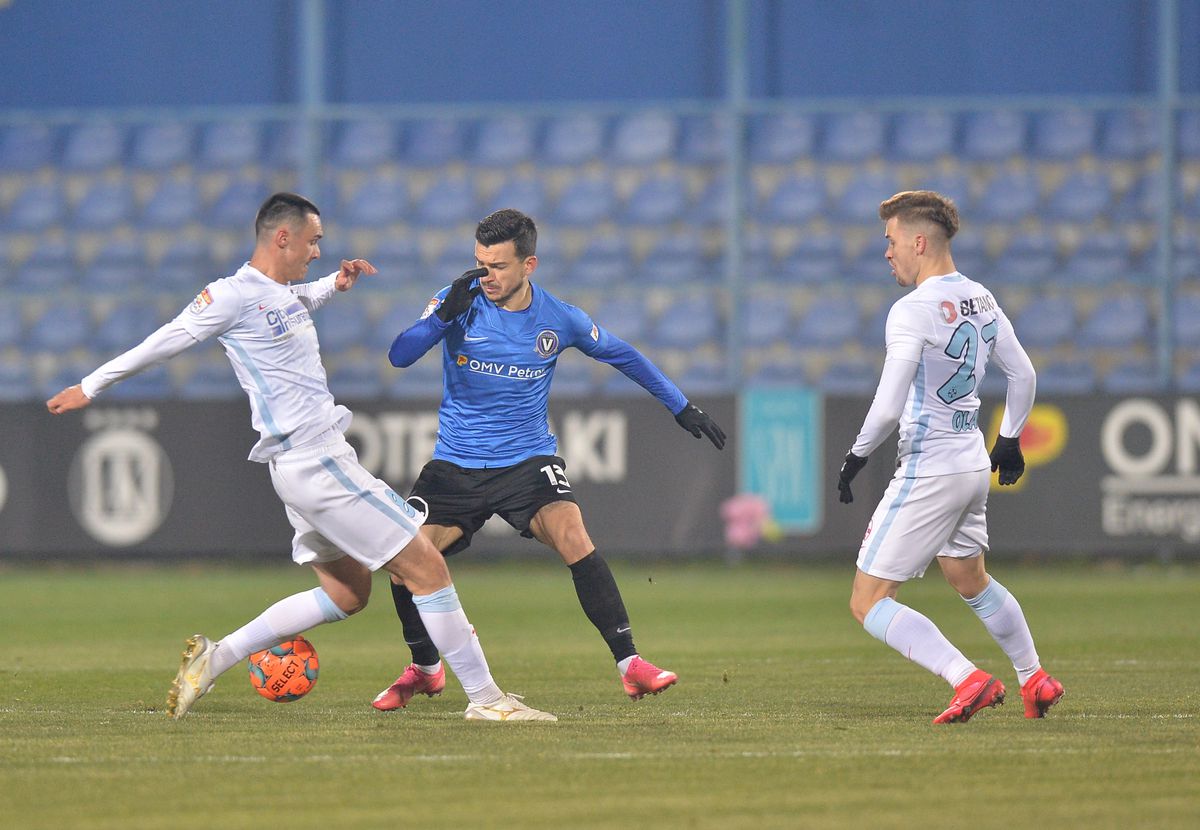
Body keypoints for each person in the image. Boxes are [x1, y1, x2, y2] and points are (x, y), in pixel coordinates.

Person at [46, 192, 555, 722]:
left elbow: (292, 306)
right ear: (281, 237)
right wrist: (92, 385)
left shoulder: (281, 292)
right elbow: (166, 340)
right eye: (313, 242)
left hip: (298, 470)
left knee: (347, 593)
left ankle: (215, 658)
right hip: (317, 461)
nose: (317, 252)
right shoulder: (229, 296)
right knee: (426, 565)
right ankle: (488, 700)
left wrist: (332, 285)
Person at [372, 207, 726, 711]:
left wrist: (680, 406)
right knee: (404, 559)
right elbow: (400, 356)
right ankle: (426, 670)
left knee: (572, 533)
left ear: (528, 265)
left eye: (496, 266)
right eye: (479, 263)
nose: (484, 276)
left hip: (526, 459)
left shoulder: (560, 318)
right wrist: (443, 315)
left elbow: (624, 355)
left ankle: (630, 664)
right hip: (456, 462)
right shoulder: (458, 302)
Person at [836, 190, 1063, 724]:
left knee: (867, 601)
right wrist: (1008, 439)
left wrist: (856, 455)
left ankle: (968, 679)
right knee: (968, 577)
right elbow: (1023, 374)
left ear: (919, 241)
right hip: (971, 466)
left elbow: (889, 403)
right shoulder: (980, 297)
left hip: (930, 467)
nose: (886, 252)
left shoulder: (911, 311)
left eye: (891, 241)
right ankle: (1035, 678)